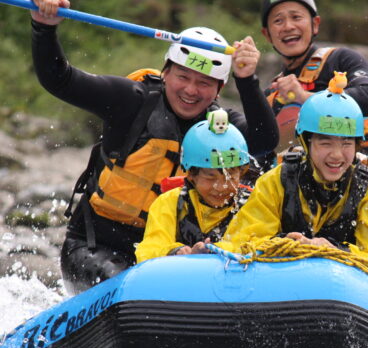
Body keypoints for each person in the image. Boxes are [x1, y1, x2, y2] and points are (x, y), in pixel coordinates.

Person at [31, 0, 279, 293]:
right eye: (183, 77)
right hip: (97, 246)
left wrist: (247, 79)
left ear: (218, 89)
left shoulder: (221, 127)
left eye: (203, 83)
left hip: (171, 252)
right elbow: (60, 80)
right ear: (166, 72)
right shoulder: (130, 100)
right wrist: (43, 28)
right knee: (130, 284)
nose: (190, 90)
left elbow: (265, 143)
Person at [216, 74, 368, 275]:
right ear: (306, 142)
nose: (337, 155)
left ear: (357, 145)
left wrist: (334, 251)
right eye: (325, 142)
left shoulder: (366, 189)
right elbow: (239, 242)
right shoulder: (277, 180)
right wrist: (288, 245)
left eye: (346, 143)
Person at [260, 0, 368, 157]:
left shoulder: (341, 60)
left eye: (296, 17)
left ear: (315, 24)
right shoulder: (271, 95)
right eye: (278, 20)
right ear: (267, 34)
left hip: (363, 164)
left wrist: (303, 97)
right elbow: (256, 149)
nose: (288, 26)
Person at [135, 111, 250, 262]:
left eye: (231, 176)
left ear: (241, 173)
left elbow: (258, 241)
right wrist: (177, 252)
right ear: (191, 175)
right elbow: (149, 250)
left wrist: (216, 251)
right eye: (210, 176)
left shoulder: (252, 204)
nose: (222, 187)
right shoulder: (170, 203)